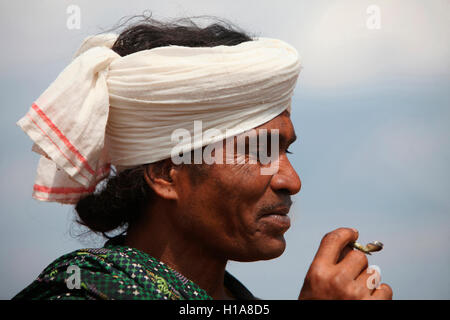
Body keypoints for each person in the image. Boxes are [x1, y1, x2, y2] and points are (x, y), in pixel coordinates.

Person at [13, 17, 392, 300]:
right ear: (166, 173)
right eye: (258, 151)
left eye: (285, 150)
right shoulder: (81, 292)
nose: (290, 181)